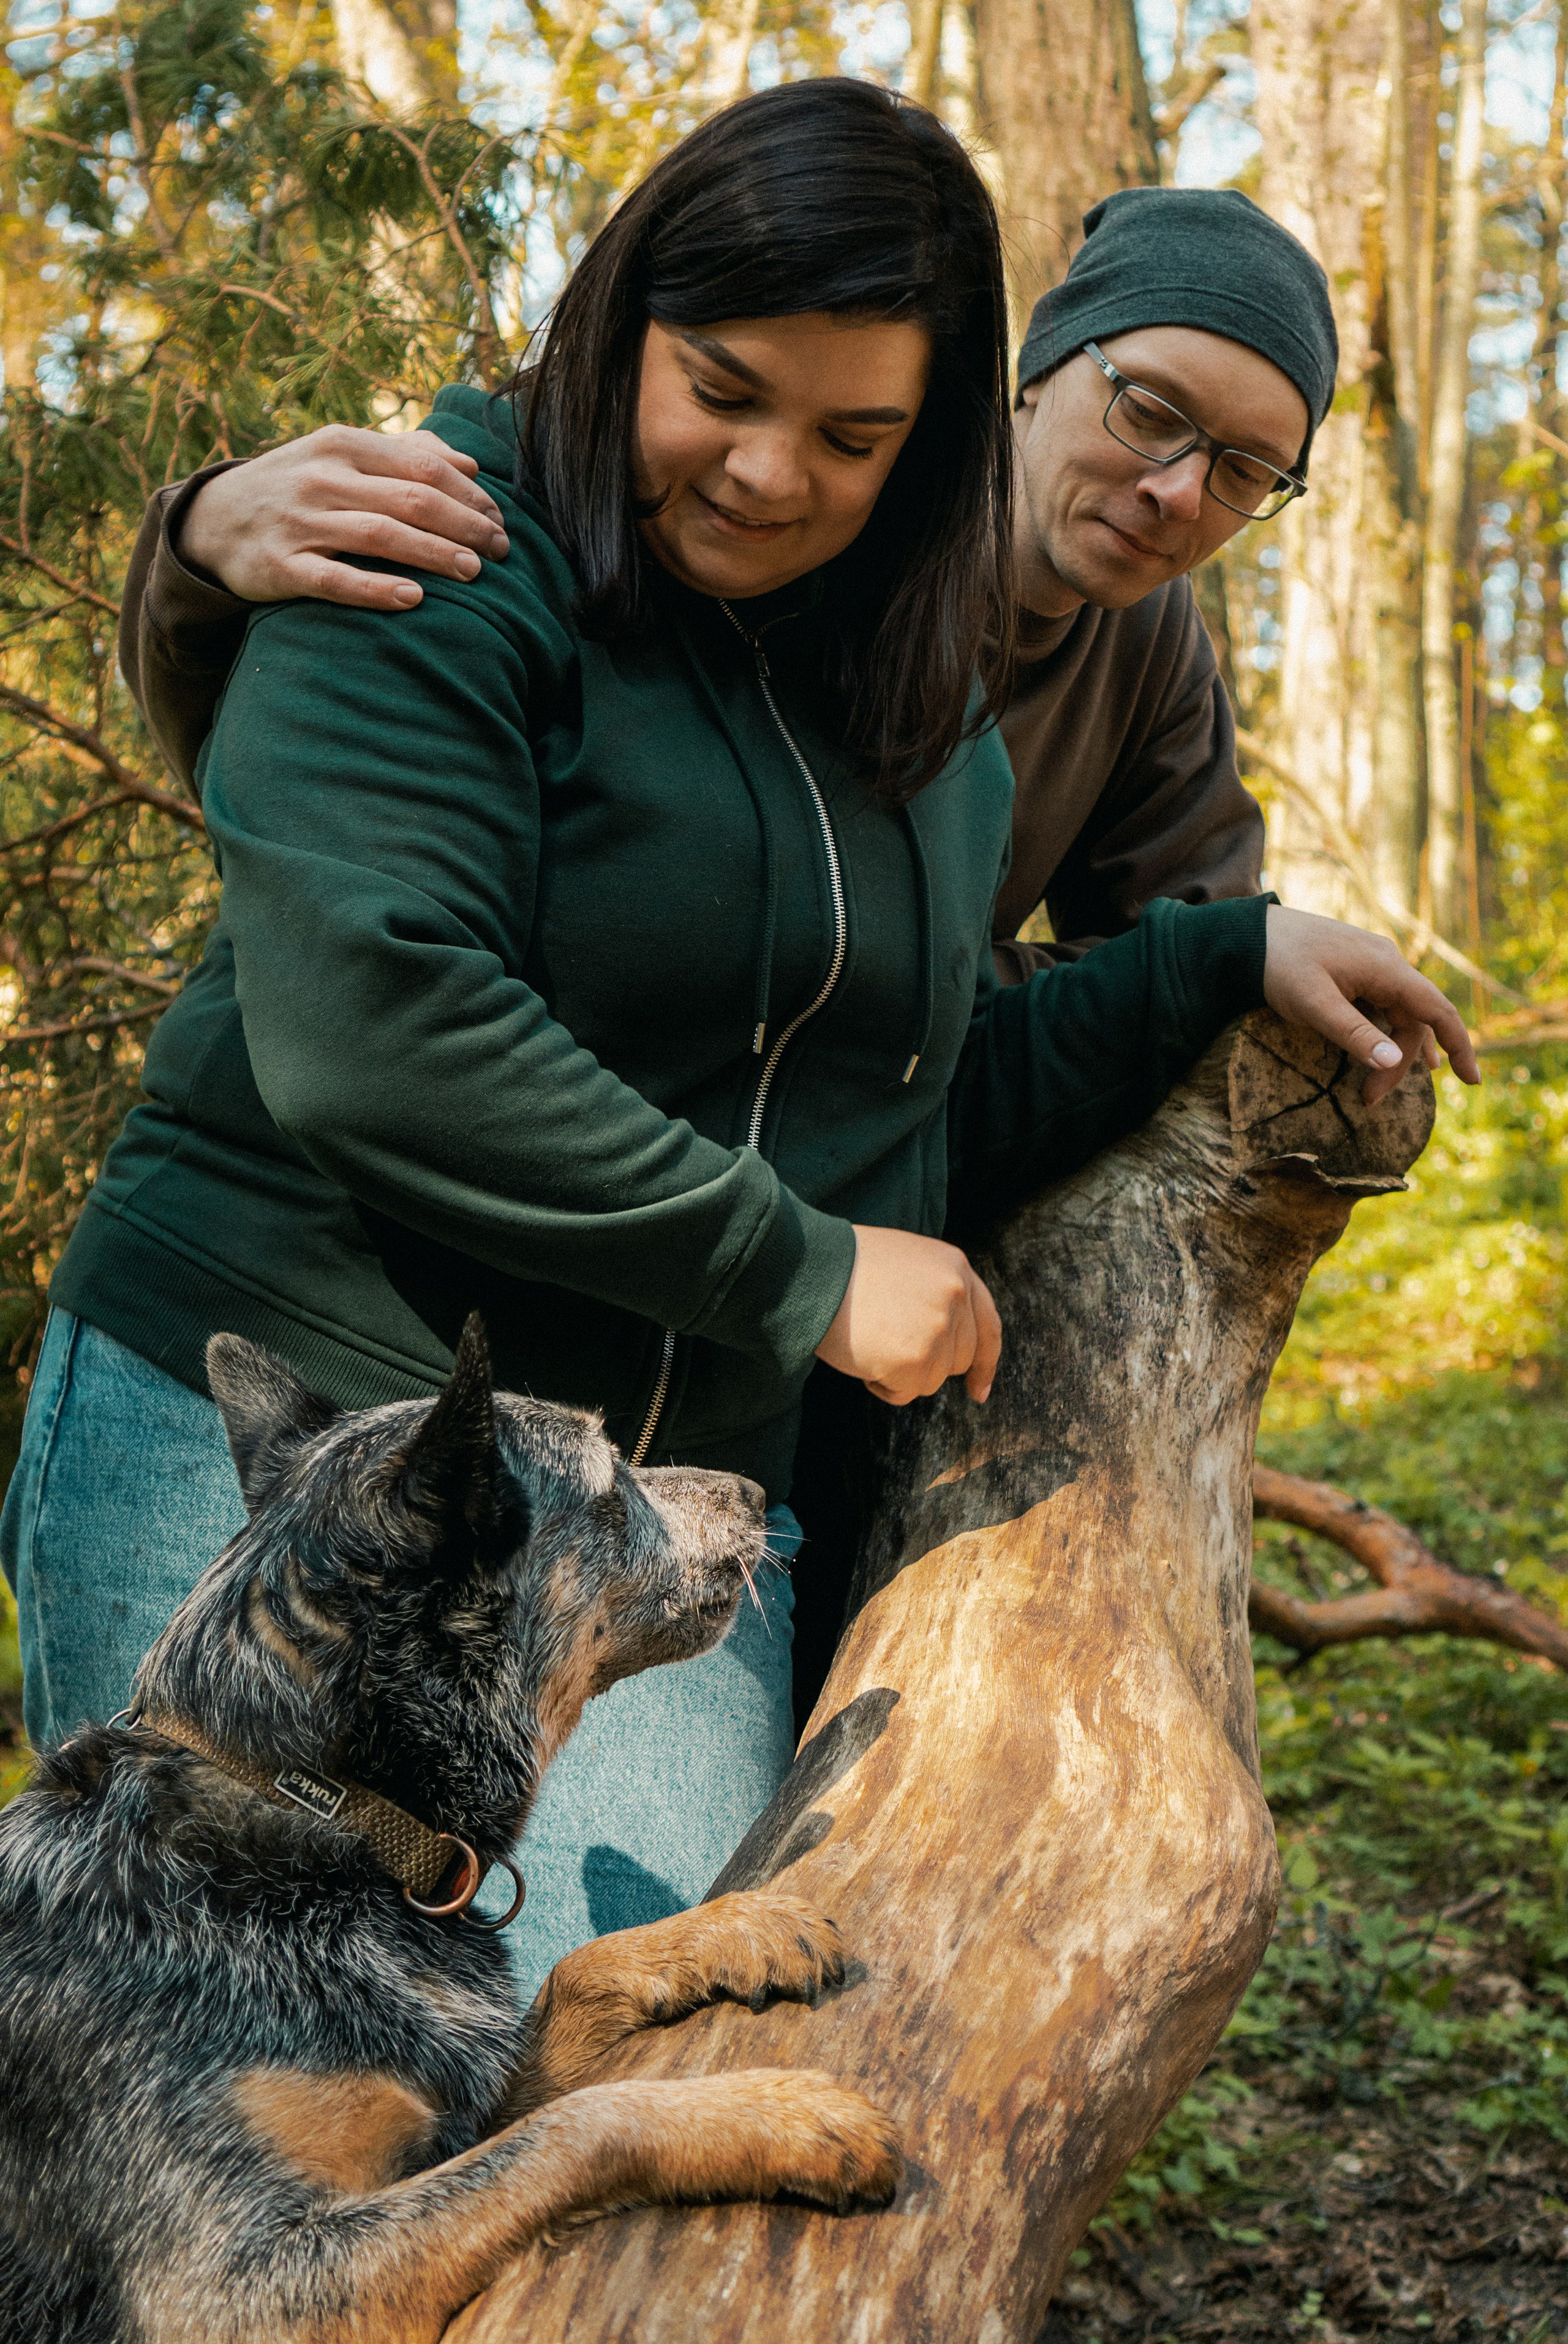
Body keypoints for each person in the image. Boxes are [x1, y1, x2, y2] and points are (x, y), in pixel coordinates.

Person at [2, 81, 1474, 2000]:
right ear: (625, 320)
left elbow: (906, 1099)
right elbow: (381, 1028)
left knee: (619, 2072)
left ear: (933, 442)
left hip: (647, 1492)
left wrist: (1221, 956)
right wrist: (799, 1269)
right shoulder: (448, 529)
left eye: (856, 435)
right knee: (217, 2115)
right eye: (722, 388)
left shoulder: (914, 688)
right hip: (294, 1423)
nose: (776, 472)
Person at [117, 185, 1333, 974]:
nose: (1176, 490)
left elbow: (1182, 950)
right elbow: (321, 777)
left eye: (1243, 471)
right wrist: (195, 547)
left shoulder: (1148, 639)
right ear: (1032, 372)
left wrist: (1226, 964)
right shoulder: (792, 518)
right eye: (1148, 412)